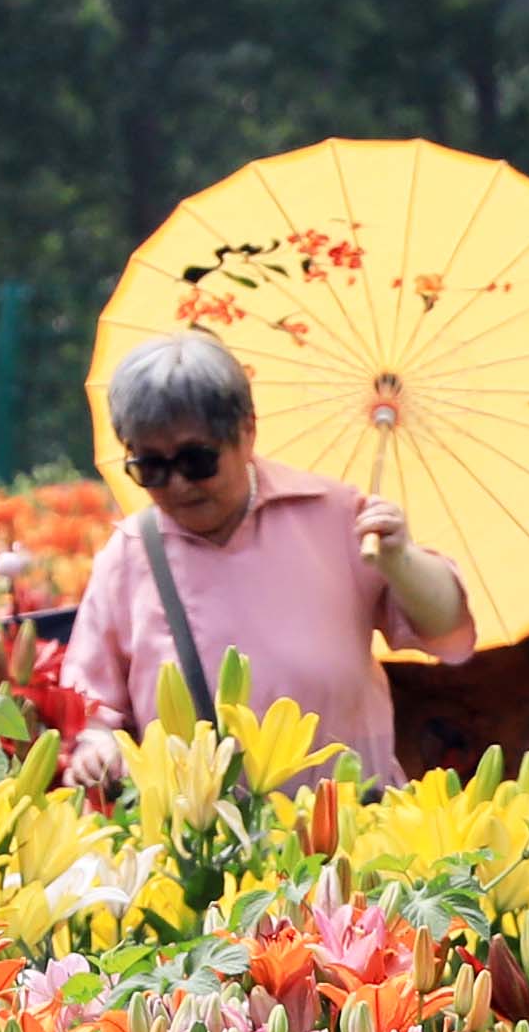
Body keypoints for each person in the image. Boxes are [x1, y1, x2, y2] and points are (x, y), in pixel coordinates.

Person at [59, 333, 476, 784]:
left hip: (348, 825)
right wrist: (96, 748)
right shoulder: (130, 554)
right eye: (151, 467)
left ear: (247, 431)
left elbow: (446, 629)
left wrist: (400, 561)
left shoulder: (334, 514)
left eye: (197, 461)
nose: (178, 485)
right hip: (206, 841)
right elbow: (92, 707)